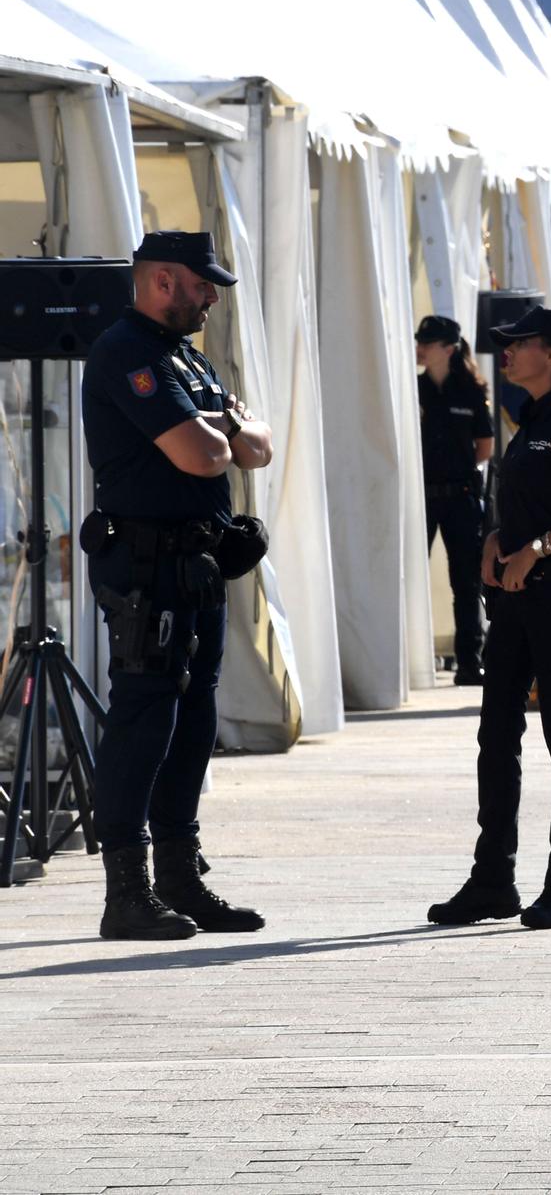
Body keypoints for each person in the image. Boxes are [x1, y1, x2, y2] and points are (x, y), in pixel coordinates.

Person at [80, 231, 275, 940]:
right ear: (163, 279)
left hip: (199, 568)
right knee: (144, 721)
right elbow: (204, 455)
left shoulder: (185, 357)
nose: (211, 296)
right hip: (146, 572)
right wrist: (223, 431)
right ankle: (125, 892)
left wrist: (222, 430)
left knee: (194, 720)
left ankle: (180, 878)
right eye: (201, 284)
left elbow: (257, 445)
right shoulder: (126, 352)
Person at [428, 307, 551, 931]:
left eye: (521, 344)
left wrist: (539, 548)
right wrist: (493, 539)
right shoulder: (528, 418)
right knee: (495, 739)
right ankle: (492, 882)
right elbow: (517, 504)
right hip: (513, 602)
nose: (505, 353)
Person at [416, 315, 495, 685]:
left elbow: (485, 446)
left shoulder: (472, 390)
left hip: (460, 495)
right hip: (422, 496)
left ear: (449, 349)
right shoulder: (414, 389)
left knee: (465, 582)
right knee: (411, 575)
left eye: (427, 343)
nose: (419, 348)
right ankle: (412, 658)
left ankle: (469, 661)